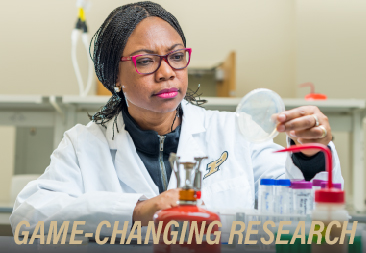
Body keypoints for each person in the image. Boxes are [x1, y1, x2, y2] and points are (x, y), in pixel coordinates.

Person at [10, 1, 343, 234]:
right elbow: (29, 216)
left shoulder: (233, 132)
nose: (167, 72)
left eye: (176, 56)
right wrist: (136, 211)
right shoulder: (84, 145)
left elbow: (304, 207)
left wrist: (310, 155)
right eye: (145, 61)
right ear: (114, 76)